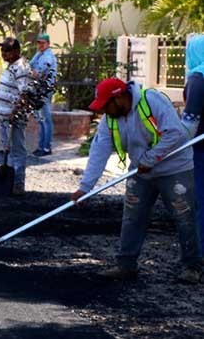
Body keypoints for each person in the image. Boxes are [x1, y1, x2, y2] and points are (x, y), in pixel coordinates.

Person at [71, 78, 202, 283]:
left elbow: (175, 133)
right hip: (141, 171)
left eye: (107, 105)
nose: (104, 111)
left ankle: (192, 267)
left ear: (120, 97)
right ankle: (126, 265)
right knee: (132, 216)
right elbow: (99, 150)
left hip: (174, 168)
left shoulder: (152, 101)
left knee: (184, 216)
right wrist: (86, 187)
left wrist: (151, 158)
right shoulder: (111, 118)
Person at [0, 37, 31, 195]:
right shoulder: (12, 67)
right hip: (5, 118)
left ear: (16, 51)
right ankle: (8, 183)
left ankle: (17, 184)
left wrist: (14, 113)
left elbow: (25, 93)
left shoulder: (20, 68)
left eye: (7, 51)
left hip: (13, 118)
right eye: (2, 51)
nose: (3, 54)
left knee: (17, 150)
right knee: (8, 150)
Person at [181, 33, 204, 252]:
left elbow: (190, 122)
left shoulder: (198, 78)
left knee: (202, 201)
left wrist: (177, 146)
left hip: (201, 149)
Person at [29, 32, 57, 157]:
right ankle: (41, 146)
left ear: (48, 44)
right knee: (40, 119)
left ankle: (46, 147)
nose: (40, 45)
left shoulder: (47, 57)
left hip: (44, 90)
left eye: (42, 43)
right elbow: (30, 67)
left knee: (45, 119)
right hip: (38, 89)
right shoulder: (39, 54)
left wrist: (30, 71)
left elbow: (37, 73)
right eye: (38, 43)